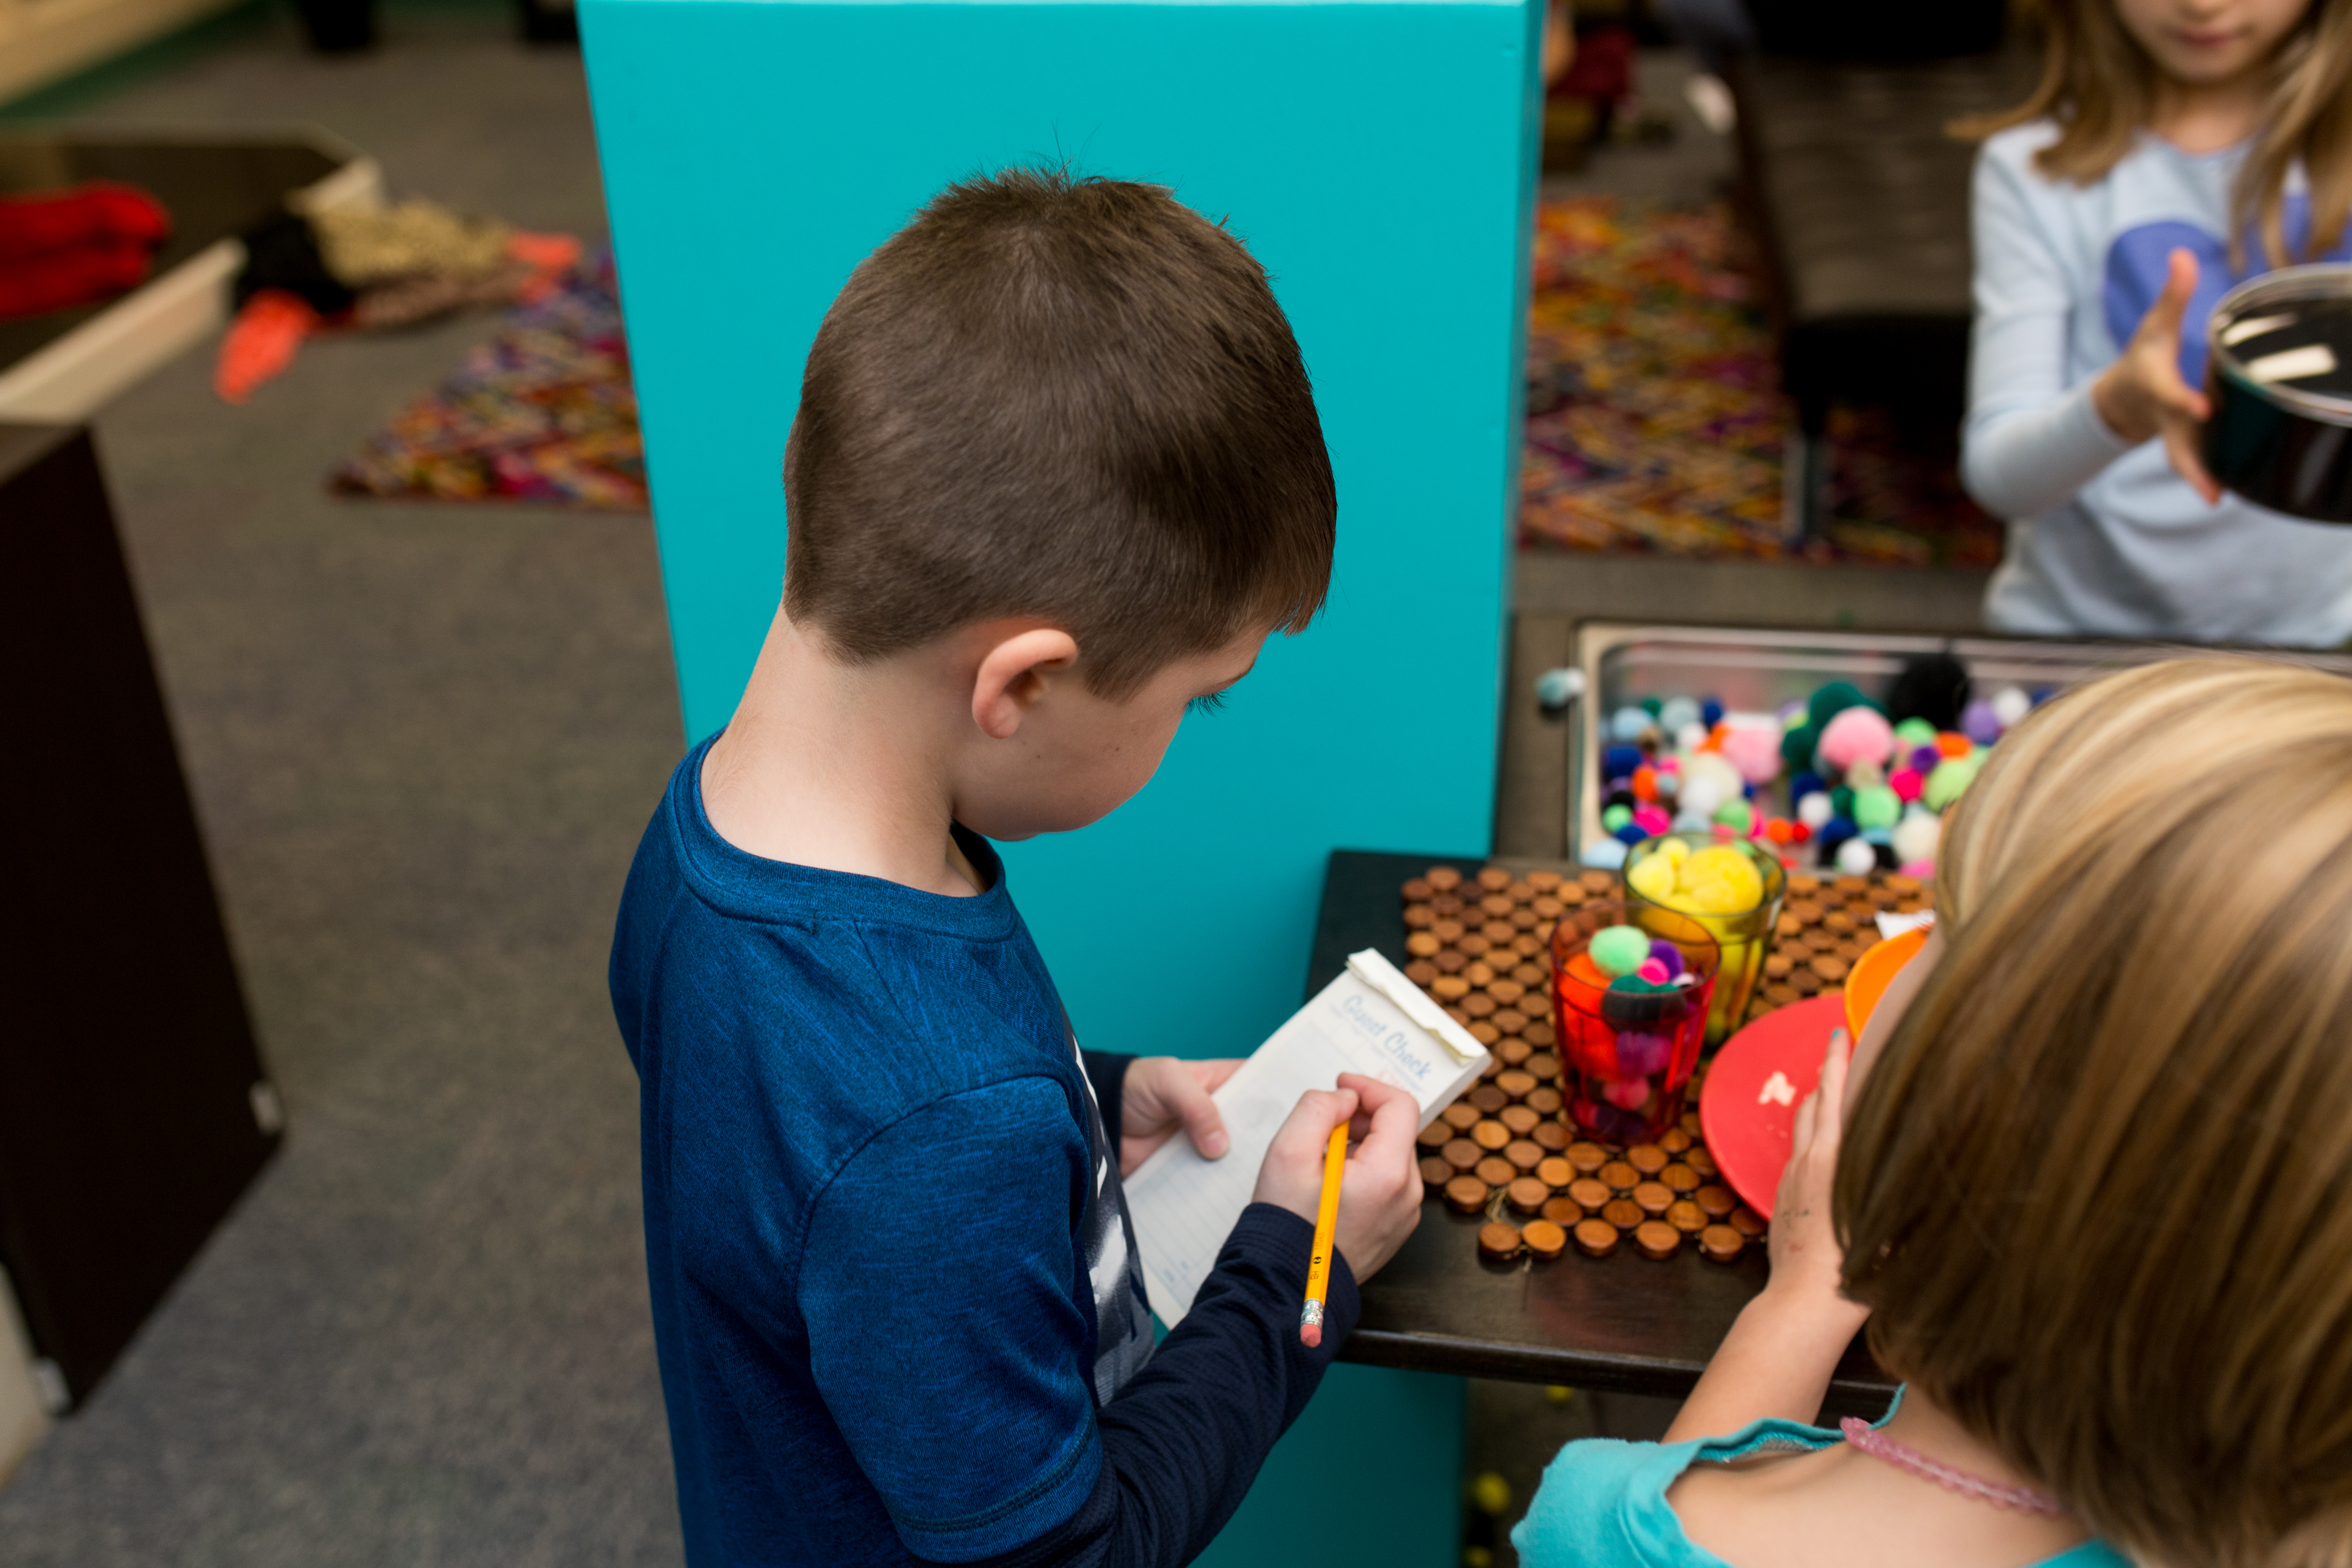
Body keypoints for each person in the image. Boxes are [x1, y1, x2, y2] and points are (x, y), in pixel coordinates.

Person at [606, 168, 1425, 1567]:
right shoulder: (935, 1129)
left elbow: (806, 1149)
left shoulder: (708, 836)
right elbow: (1071, 1552)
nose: (1190, 728)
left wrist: (1088, 1103)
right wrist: (1303, 1268)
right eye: (1195, 696)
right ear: (1025, 683)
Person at [1515, 656, 2352, 1568]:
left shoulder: (1600, 1527)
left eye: (1934, 922)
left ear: (1967, 1115)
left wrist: (1798, 1304)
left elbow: (1678, 1523)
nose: (1903, 949)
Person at [1960, 0, 2352, 643]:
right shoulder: (2028, 171)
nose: (2201, 4)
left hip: (2316, 653)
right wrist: (2116, 407)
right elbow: (2000, 476)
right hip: (2075, 644)